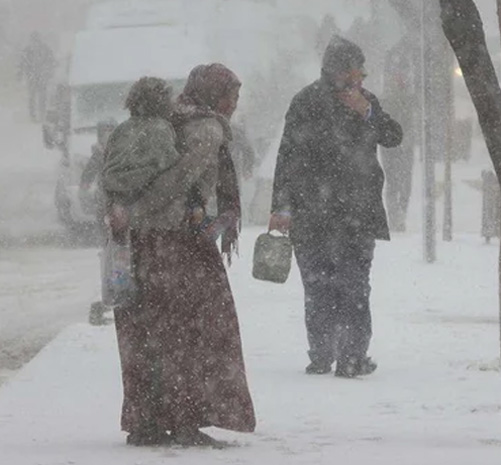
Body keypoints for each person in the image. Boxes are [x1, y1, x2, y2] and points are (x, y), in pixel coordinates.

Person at [103, 65, 255, 446]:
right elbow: (179, 180)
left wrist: (130, 217)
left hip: (141, 247)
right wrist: (153, 215)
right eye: (230, 97)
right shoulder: (205, 128)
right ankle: (187, 419)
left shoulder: (165, 120)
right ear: (213, 96)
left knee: (145, 332)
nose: (234, 105)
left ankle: (147, 420)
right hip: (178, 246)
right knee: (195, 332)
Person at [270, 36, 403, 378]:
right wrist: (281, 207)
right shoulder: (306, 102)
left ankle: (350, 355)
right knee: (322, 284)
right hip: (317, 211)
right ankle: (324, 352)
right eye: (356, 71)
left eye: (362, 72)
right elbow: (288, 157)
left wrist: (368, 113)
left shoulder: (365, 102)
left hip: (353, 213)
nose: (361, 79)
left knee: (352, 283)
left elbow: (394, 136)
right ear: (337, 71)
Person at [380, 35, 418, 232]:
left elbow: (412, 120)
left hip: (404, 144)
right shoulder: (388, 98)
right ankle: (396, 215)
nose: (400, 79)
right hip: (392, 145)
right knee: (395, 180)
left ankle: (399, 214)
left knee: (403, 181)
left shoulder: (408, 98)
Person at [18, 32, 56, 122]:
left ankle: (37, 115)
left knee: (38, 96)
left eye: (35, 40)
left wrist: (49, 71)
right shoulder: (42, 49)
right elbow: (52, 61)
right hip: (37, 76)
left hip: (37, 76)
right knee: (36, 96)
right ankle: (36, 115)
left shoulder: (29, 50)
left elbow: (51, 61)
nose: (35, 43)